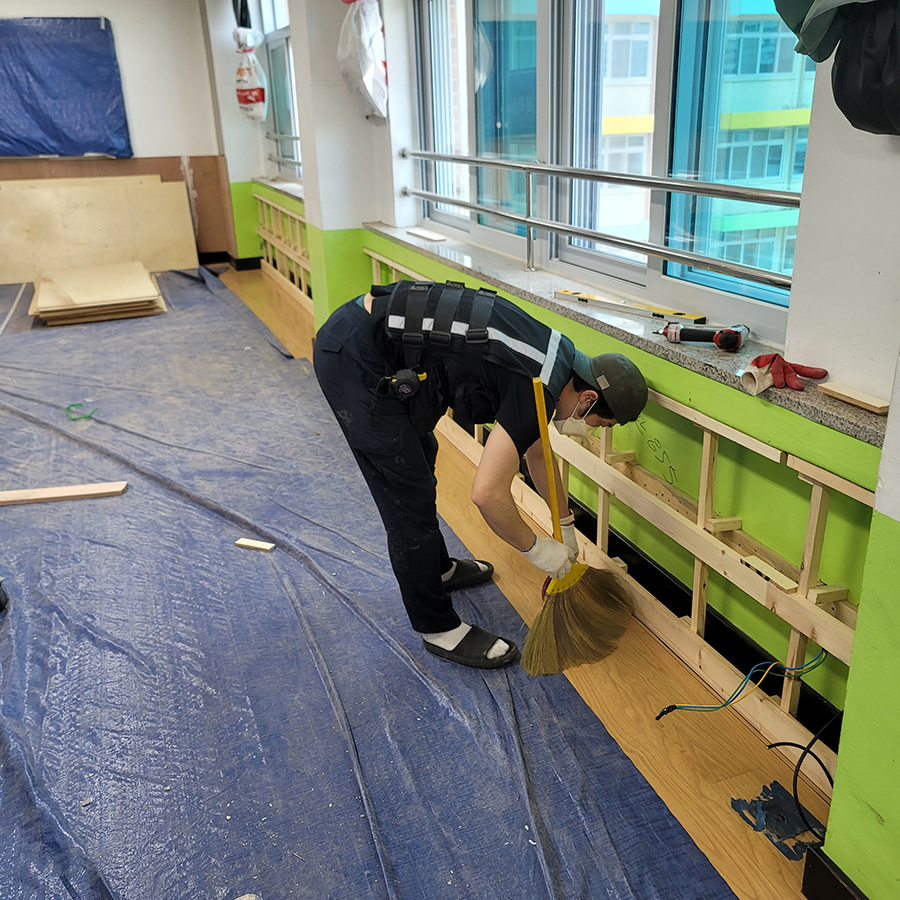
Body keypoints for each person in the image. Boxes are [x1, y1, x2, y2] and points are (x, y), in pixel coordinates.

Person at [313, 280, 648, 670]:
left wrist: (565, 523)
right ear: (588, 399)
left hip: (382, 340)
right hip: (356, 357)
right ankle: (437, 628)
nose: (590, 431)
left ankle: (437, 570)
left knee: (421, 455)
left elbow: (537, 453)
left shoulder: (559, 360)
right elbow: (487, 495)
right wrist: (537, 550)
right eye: (599, 424)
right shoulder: (537, 388)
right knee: (406, 497)